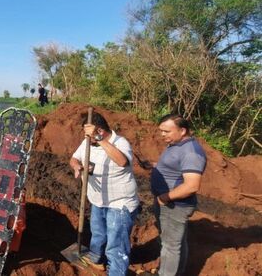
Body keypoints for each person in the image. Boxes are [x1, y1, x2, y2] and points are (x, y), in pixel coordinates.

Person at [69, 111, 139, 275]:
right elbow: (74, 158)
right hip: (97, 200)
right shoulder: (88, 142)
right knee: (98, 234)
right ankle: (96, 260)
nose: (87, 138)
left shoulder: (121, 143)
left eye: (90, 135)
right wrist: (76, 166)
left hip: (119, 203)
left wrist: (99, 140)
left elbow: (122, 161)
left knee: (116, 245)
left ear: (99, 131)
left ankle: (116, 271)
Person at [149, 114, 206, 276]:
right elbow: (176, 167)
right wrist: (155, 166)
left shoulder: (191, 152)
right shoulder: (177, 144)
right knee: (177, 242)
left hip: (175, 206)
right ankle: (177, 272)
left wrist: (164, 198)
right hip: (169, 203)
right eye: (161, 131)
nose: (162, 135)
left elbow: (192, 185)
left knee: (170, 246)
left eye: (166, 131)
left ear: (182, 130)